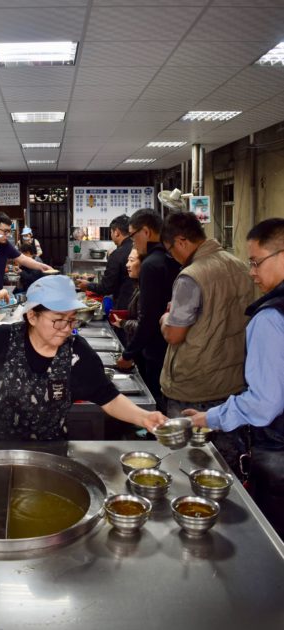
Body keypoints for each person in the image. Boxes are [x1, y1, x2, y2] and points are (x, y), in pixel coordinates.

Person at [0, 274, 166, 440]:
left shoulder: (77, 353)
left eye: (71, 320)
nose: (66, 329)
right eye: (58, 319)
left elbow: (109, 398)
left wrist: (143, 417)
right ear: (32, 316)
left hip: (50, 452)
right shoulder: (3, 339)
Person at [187, 218, 284, 539]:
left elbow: (265, 403)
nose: (252, 272)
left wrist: (210, 417)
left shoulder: (271, 317)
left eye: (256, 262)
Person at [159, 211, 254, 418]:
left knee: (187, 449)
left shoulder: (191, 276)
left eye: (170, 250)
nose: (172, 257)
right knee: (224, 450)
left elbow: (174, 334)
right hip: (233, 381)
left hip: (194, 386)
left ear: (181, 241)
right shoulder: (239, 266)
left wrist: (166, 318)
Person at [116, 208, 180, 410]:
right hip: (173, 345)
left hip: (156, 347)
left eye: (133, 236)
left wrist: (128, 354)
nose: (133, 242)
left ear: (146, 232)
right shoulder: (170, 258)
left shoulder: (151, 264)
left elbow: (149, 317)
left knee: (155, 402)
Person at [76, 215, 134, 310]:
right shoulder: (138, 248)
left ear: (116, 232)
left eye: (111, 232)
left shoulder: (117, 254)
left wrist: (88, 285)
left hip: (124, 307)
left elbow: (107, 287)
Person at [0, 212, 52, 289]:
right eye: (5, 231)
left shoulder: (5, 244)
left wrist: (42, 266)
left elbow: (22, 259)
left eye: (9, 231)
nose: (8, 235)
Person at [110, 247, 145, 374]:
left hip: (143, 355)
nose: (127, 264)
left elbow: (145, 326)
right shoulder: (137, 285)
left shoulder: (145, 291)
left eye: (131, 260)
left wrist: (123, 323)